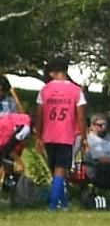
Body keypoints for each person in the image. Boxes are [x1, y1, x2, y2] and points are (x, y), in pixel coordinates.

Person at [35, 57, 87, 210]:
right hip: (66, 135)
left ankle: (63, 203)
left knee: (56, 170)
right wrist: (84, 137)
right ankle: (53, 205)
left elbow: (39, 114)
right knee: (60, 170)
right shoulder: (76, 90)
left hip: (49, 134)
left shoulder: (45, 90)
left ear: (52, 73)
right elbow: (81, 116)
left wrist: (38, 136)